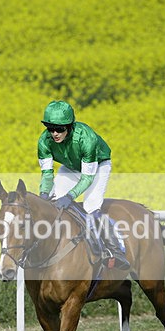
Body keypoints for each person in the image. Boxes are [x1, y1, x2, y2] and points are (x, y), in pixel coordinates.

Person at [37, 100, 130, 270]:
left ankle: (116, 250)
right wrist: (43, 194)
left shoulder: (87, 138)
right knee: (52, 202)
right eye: (50, 128)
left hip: (97, 166)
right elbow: (47, 174)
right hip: (71, 167)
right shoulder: (44, 141)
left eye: (60, 129)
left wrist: (70, 196)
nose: (55, 133)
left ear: (70, 126)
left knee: (90, 206)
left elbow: (87, 178)